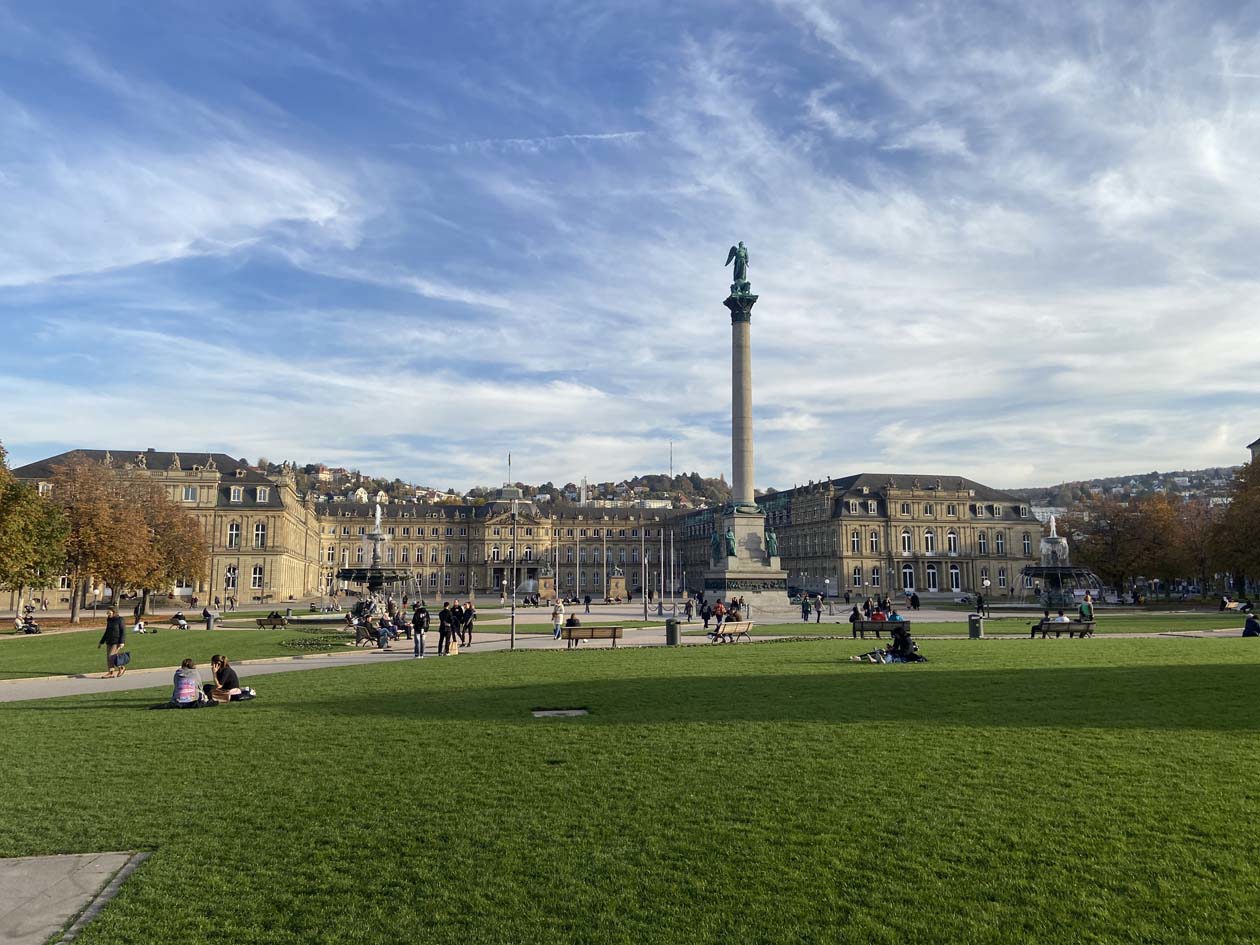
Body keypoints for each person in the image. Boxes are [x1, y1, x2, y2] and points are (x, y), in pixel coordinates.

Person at [98, 607, 127, 678]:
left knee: (111, 656)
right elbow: (107, 631)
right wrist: (101, 642)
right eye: (107, 613)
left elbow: (123, 631)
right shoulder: (109, 620)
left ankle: (120, 668)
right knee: (109, 657)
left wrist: (122, 642)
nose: (108, 614)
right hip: (109, 641)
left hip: (116, 641)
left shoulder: (120, 619)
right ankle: (111, 672)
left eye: (109, 613)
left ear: (114, 612)